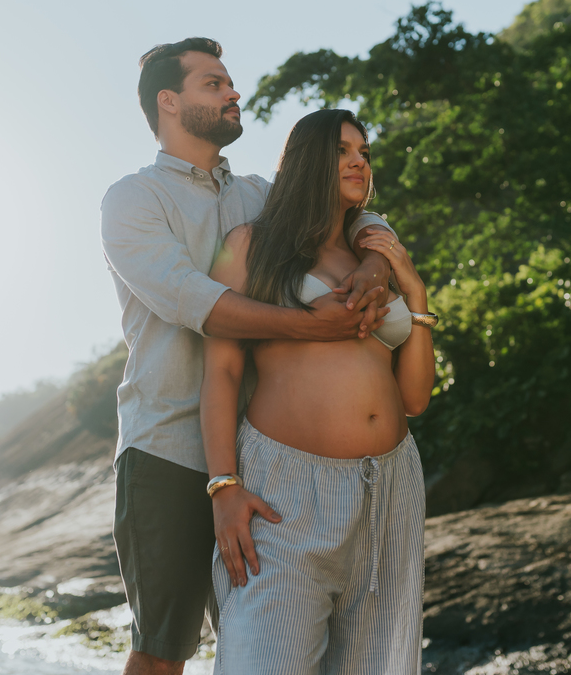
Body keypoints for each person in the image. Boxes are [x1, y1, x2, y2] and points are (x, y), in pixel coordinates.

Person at [101, 39, 399, 675]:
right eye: (214, 84)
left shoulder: (261, 198)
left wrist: (376, 259)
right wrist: (310, 328)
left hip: (269, 458)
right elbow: (196, 301)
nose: (234, 93)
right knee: (162, 652)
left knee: (261, 645)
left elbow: (351, 216)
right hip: (170, 454)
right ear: (170, 102)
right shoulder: (133, 200)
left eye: (230, 83)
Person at [200, 108, 436, 675]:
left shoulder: (373, 255)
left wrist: (417, 296)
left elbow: (415, 399)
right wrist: (223, 486)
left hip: (391, 488)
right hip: (285, 491)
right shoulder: (250, 245)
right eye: (341, 150)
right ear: (307, 160)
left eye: (364, 151)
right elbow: (222, 372)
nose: (359, 159)